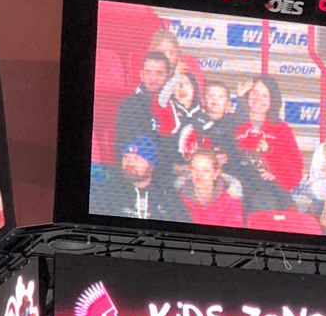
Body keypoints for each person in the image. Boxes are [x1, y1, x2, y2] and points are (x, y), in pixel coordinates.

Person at [231, 75, 304, 215]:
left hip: (268, 189)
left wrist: (275, 173)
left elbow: (296, 169)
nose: (258, 98)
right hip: (238, 183)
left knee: (263, 201)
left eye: (265, 95)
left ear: (272, 100)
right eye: (255, 93)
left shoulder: (282, 129)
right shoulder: (234, 122)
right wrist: (240, 99)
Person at [90, 136, 188, 222]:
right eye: (126, 157)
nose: (129, 163)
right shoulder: (108, 191)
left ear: (151, 165)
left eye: (136, 158)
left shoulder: (167, 194)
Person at [113, 52, 179, 180]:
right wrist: (172, 167)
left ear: (168, 76)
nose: (153, 78)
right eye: (149, 72)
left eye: (159, 73)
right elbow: (137, 150)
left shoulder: (176, 104)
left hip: (177, 167)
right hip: (148, 173)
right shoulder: (130, 106)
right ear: (141, 75)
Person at [176, 148, 244, 229]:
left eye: (206, 170)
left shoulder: (231, 199)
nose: (199, 174)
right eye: (195, 169)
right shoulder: (179, 199)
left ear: (216, 173)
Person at [197, 80, 240, 167]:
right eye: (210, 95)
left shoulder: (234, 124)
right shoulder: (197, 122)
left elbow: (237, 154)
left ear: (228, 103)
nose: (215, 100)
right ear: (203, 100)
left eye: (220, 97)